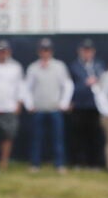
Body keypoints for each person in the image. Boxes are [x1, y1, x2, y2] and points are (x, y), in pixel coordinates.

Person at [24, 38, 73, 173]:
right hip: (38, 109)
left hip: (55, 109)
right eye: (43, 50)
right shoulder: (33, 68)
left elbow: (68, 85)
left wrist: (63, 103)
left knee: (58, 139)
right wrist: (29, 104)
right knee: (36, 138)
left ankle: (59, 164)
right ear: (39, 51)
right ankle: (35, 164)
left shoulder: (59, 66)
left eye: (47, 50)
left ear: (51, 51)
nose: (45, 53)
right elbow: (26, 88)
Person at [0, 40, 24, 172]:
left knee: (7, 137)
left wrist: (19, 103)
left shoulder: (16, 67)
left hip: (9, 107)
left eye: (4, 51)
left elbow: (20, 86)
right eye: (0, 51)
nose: (2, 53)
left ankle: (4, 161)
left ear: (9, 52)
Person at [67, 39, 105, 169]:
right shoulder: (74, 66)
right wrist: (85, 84)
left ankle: (93, 162)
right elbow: (70, 86)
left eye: (89, 51)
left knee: (94, 135)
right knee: (78, 136)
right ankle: (77, 162)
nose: (87, 53)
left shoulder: (99, 66)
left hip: (94, 106)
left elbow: (103, 83)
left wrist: (96, 81)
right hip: (79, 106)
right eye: (85, 50)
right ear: (80, 51)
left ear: (93, 52)